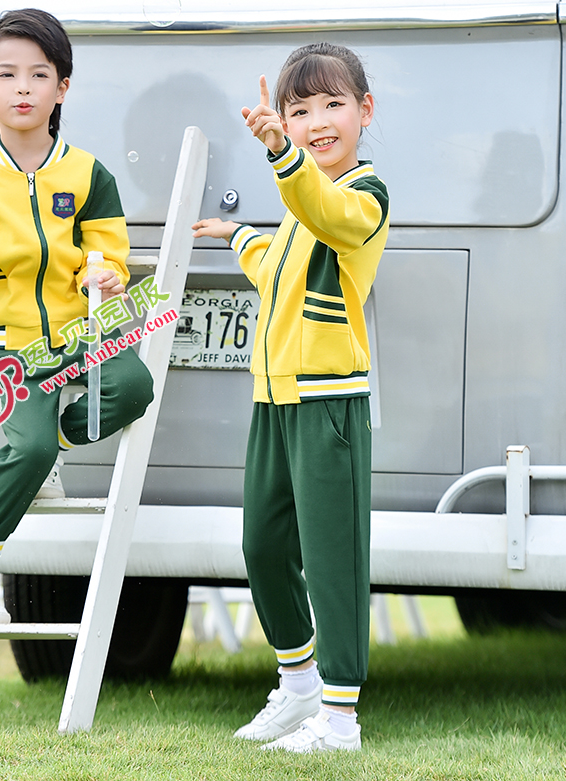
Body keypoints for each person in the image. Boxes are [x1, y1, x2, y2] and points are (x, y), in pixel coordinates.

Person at [0, 9, 153, 622]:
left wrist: (103, 273)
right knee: (21, 453)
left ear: (62, 88)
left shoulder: (87, 174)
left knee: (134, 385)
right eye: (6, 74)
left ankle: (49, 447)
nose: (22, 87)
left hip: (81, 334)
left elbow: (108, 254)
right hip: (9, 350)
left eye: (38, 74)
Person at [193, 43, 389, 753]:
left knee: (333, 556)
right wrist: (235, 232)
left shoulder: (363, 195)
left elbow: (324, 210)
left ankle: (340, 719)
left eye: (333, 104)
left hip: (329, 404)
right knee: (263, 545)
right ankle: (300, 681)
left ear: (365, 112)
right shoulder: (298, 204)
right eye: (298, 110)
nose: (316, 122)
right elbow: (275, 263)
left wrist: (280, 153)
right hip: (274, 401)